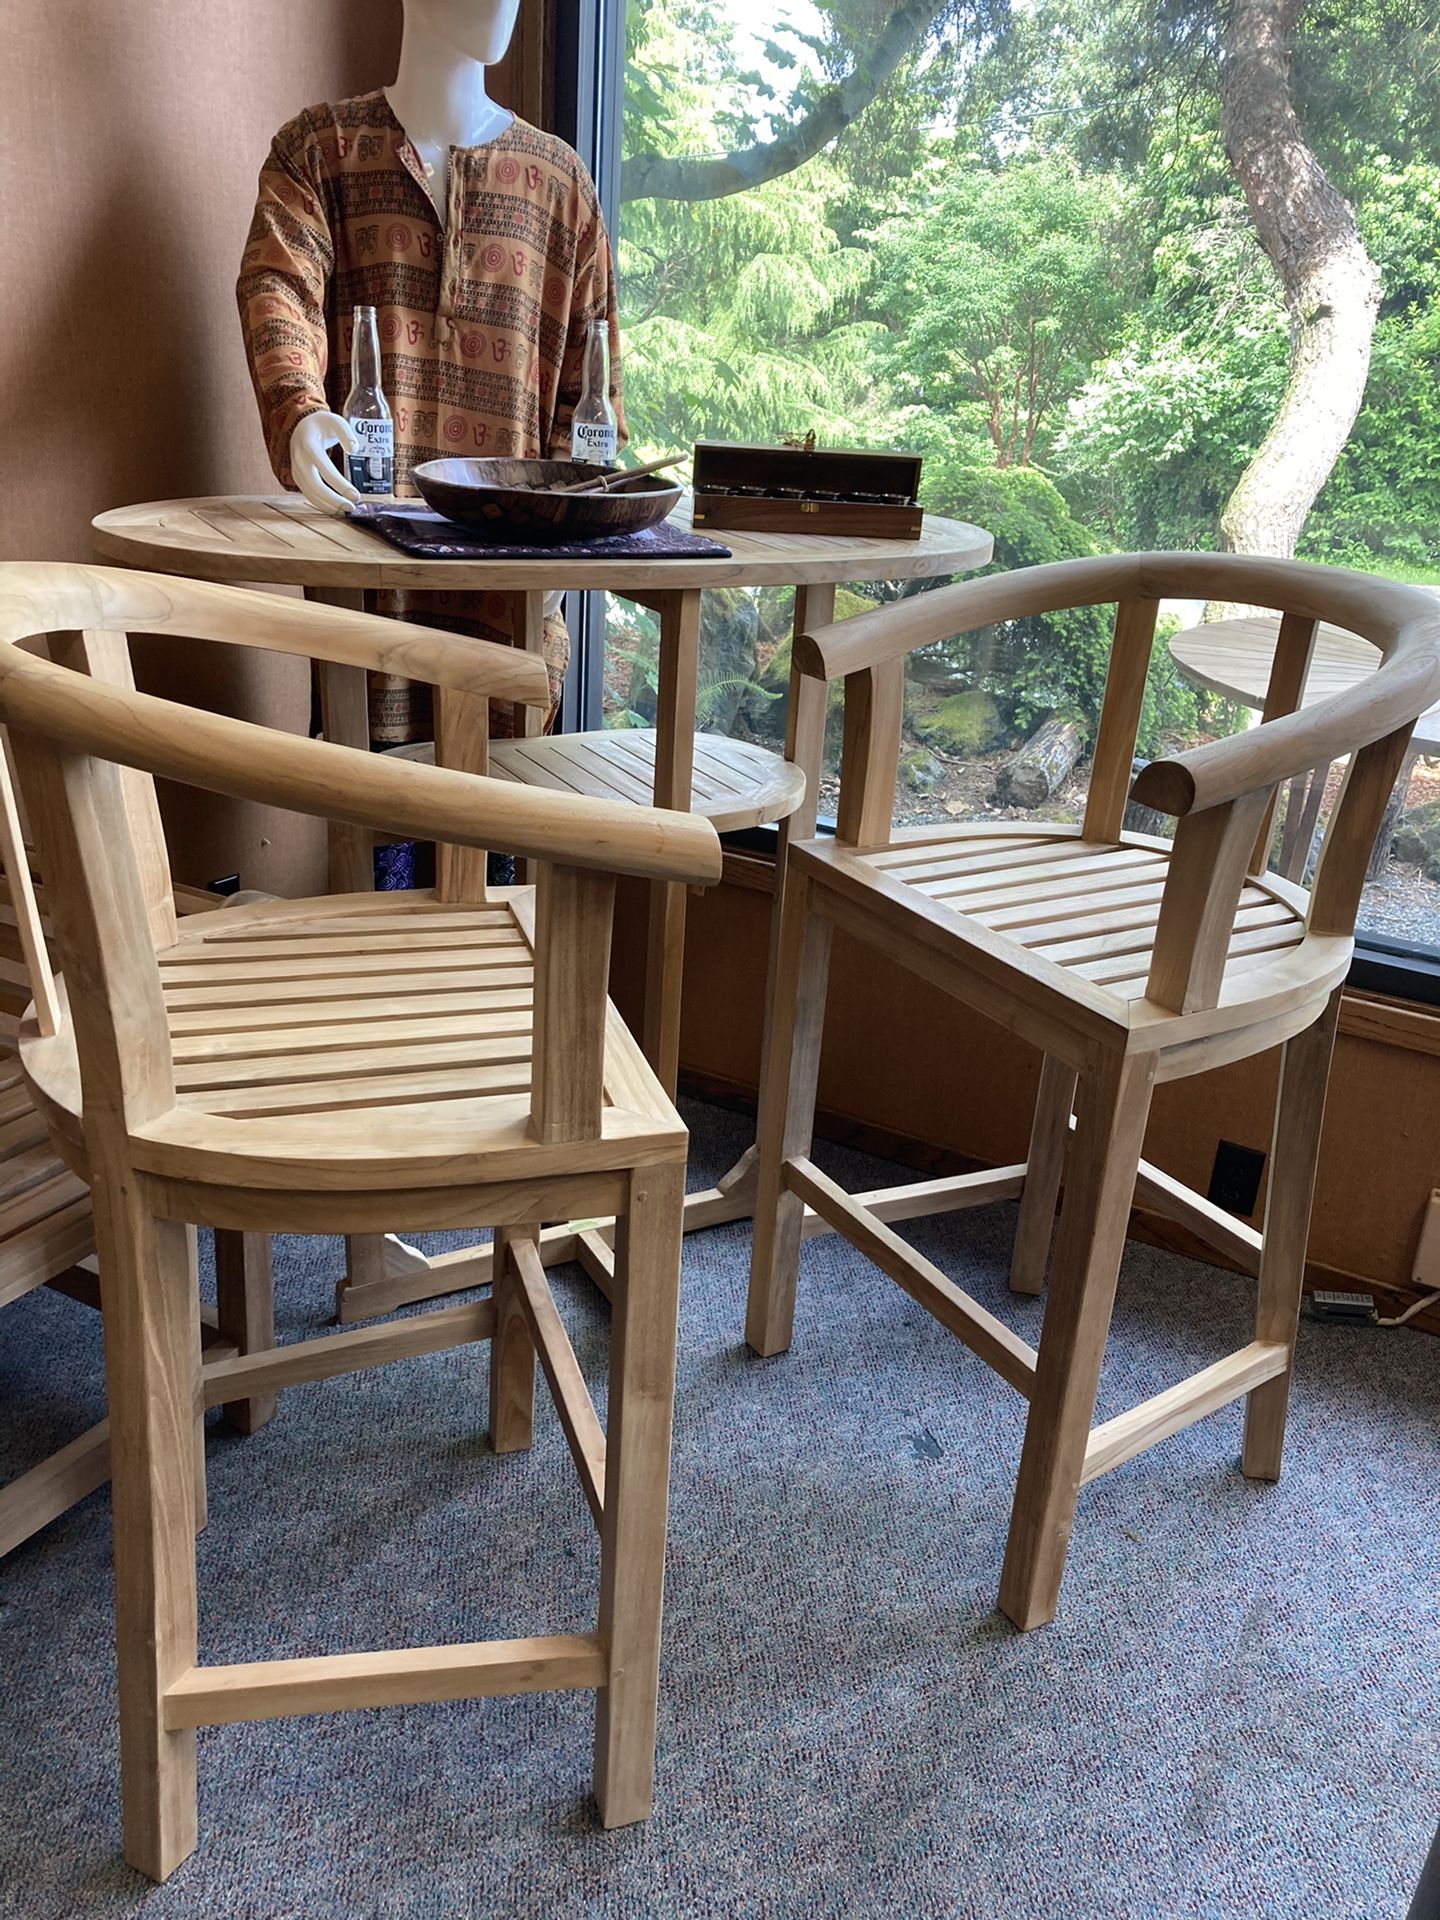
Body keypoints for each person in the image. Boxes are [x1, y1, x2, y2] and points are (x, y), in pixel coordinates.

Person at [236, 0, 624, 746]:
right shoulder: (320, 151)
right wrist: (299, 409)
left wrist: (574, 554)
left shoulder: (561, 183)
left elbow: (592, 388)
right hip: (367, 586)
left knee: (503, 839)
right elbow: (277, 286)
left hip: (512, 597)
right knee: (376, 830)